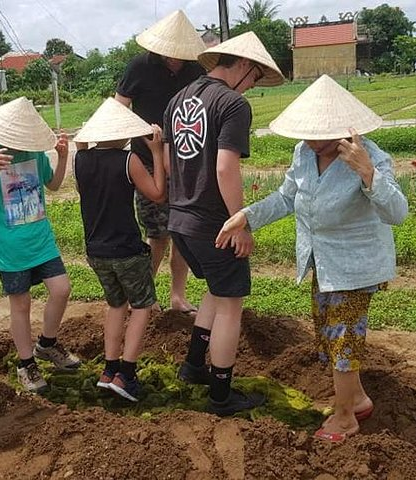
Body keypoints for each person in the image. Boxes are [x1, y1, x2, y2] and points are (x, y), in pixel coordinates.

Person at [216, 75, 409, 441]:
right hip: (322, 261)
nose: (311, 142)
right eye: (307, 134)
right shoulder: (304, 154)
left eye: (320, 135)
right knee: (328, 335)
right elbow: (287, 197)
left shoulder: (371, 157)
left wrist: (367, 172)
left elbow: (397, 213)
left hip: (355, 267)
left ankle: (345, 417)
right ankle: (358, 399)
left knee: (343, 340)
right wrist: (247, 215)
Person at [163, 32, 285, 416]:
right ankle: (221, 395)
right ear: (245, 66)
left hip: (179, 218)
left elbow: (169, 165)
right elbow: (225, 165)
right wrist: (240, 223)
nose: (252, 87)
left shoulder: (177, 99)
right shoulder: (232, 104)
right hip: (214, 224)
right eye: (254, 78)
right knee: (232, 304)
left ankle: (193, 365)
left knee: (216, 291)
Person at [0, 97, 80, 393]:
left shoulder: (33, 150)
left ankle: (47, 344)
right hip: (8, 245)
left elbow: (53, 186)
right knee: (20, 304)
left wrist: (63, 157)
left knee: (62, 289)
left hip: (40, 239)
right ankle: (26, 364)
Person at [72, 98, 166, 402]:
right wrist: (157, 152)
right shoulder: (128, 161)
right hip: (126, 249)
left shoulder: (81, 160)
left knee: (115, 305)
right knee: (141, 306)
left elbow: (82, 176)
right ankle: (126, 374)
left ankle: (108, 369)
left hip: (96, 251)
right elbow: (157, 194)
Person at [115, 9, 206, 315]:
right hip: (147, 161)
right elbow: (120, 107)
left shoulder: (196, 70)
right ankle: (144, 297)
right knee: (157, 235)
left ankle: (177, 296)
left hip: (185, 163)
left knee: (182, 232)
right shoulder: (140, 65)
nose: (175, 58)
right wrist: (140, 137)